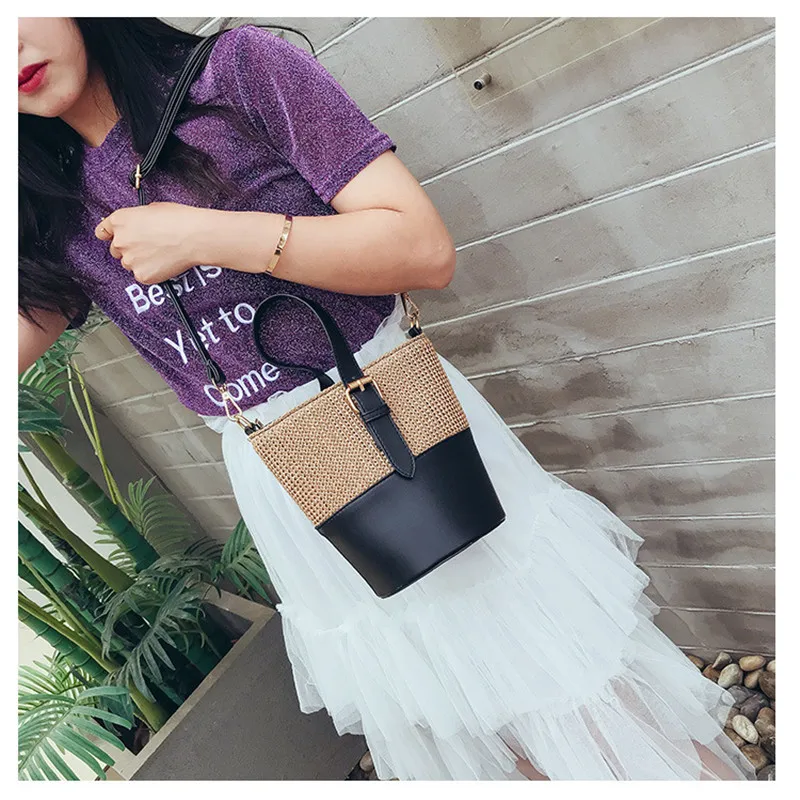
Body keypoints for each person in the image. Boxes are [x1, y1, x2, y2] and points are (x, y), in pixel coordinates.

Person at [18, 17, 755, 781]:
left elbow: (421, 249)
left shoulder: (232, 74)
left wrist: (209, 235)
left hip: (394, 420)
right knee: (470, 713)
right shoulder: (44, 198)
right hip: (284, 475)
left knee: (568, 681)